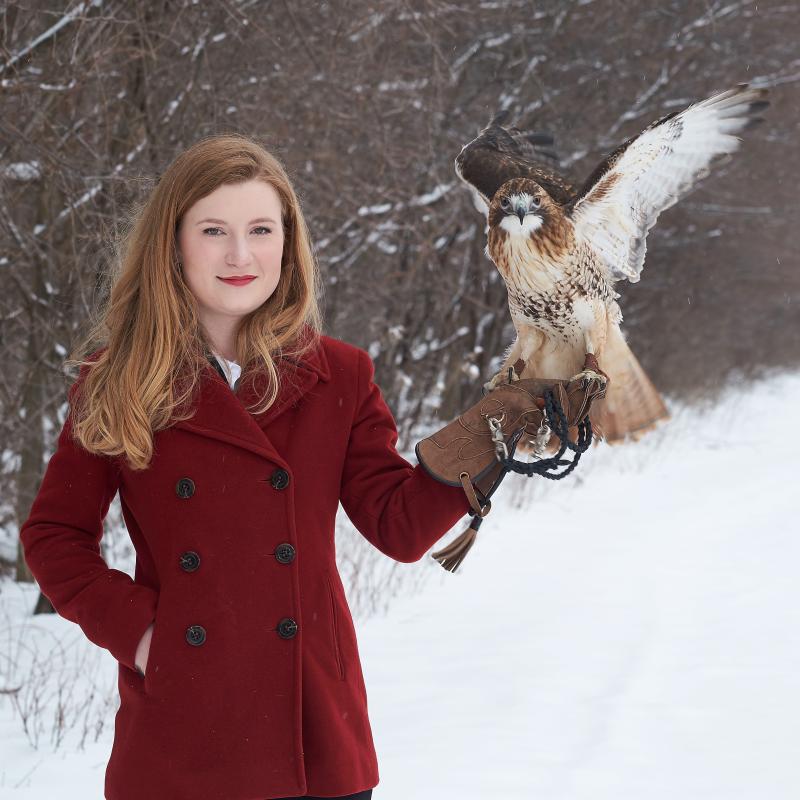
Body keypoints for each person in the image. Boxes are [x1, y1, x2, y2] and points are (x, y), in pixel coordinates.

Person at [18, 133, 477, 800]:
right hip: (182, 730)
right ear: (173, 244)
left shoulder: (339, 374)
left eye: (261, 229)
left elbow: (398, 526)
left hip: (312, 729)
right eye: (213, 230)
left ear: (287, 244)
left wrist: (488, 434)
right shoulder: (117, 380)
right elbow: (53, 537)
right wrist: (145, 636)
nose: (240, 255)